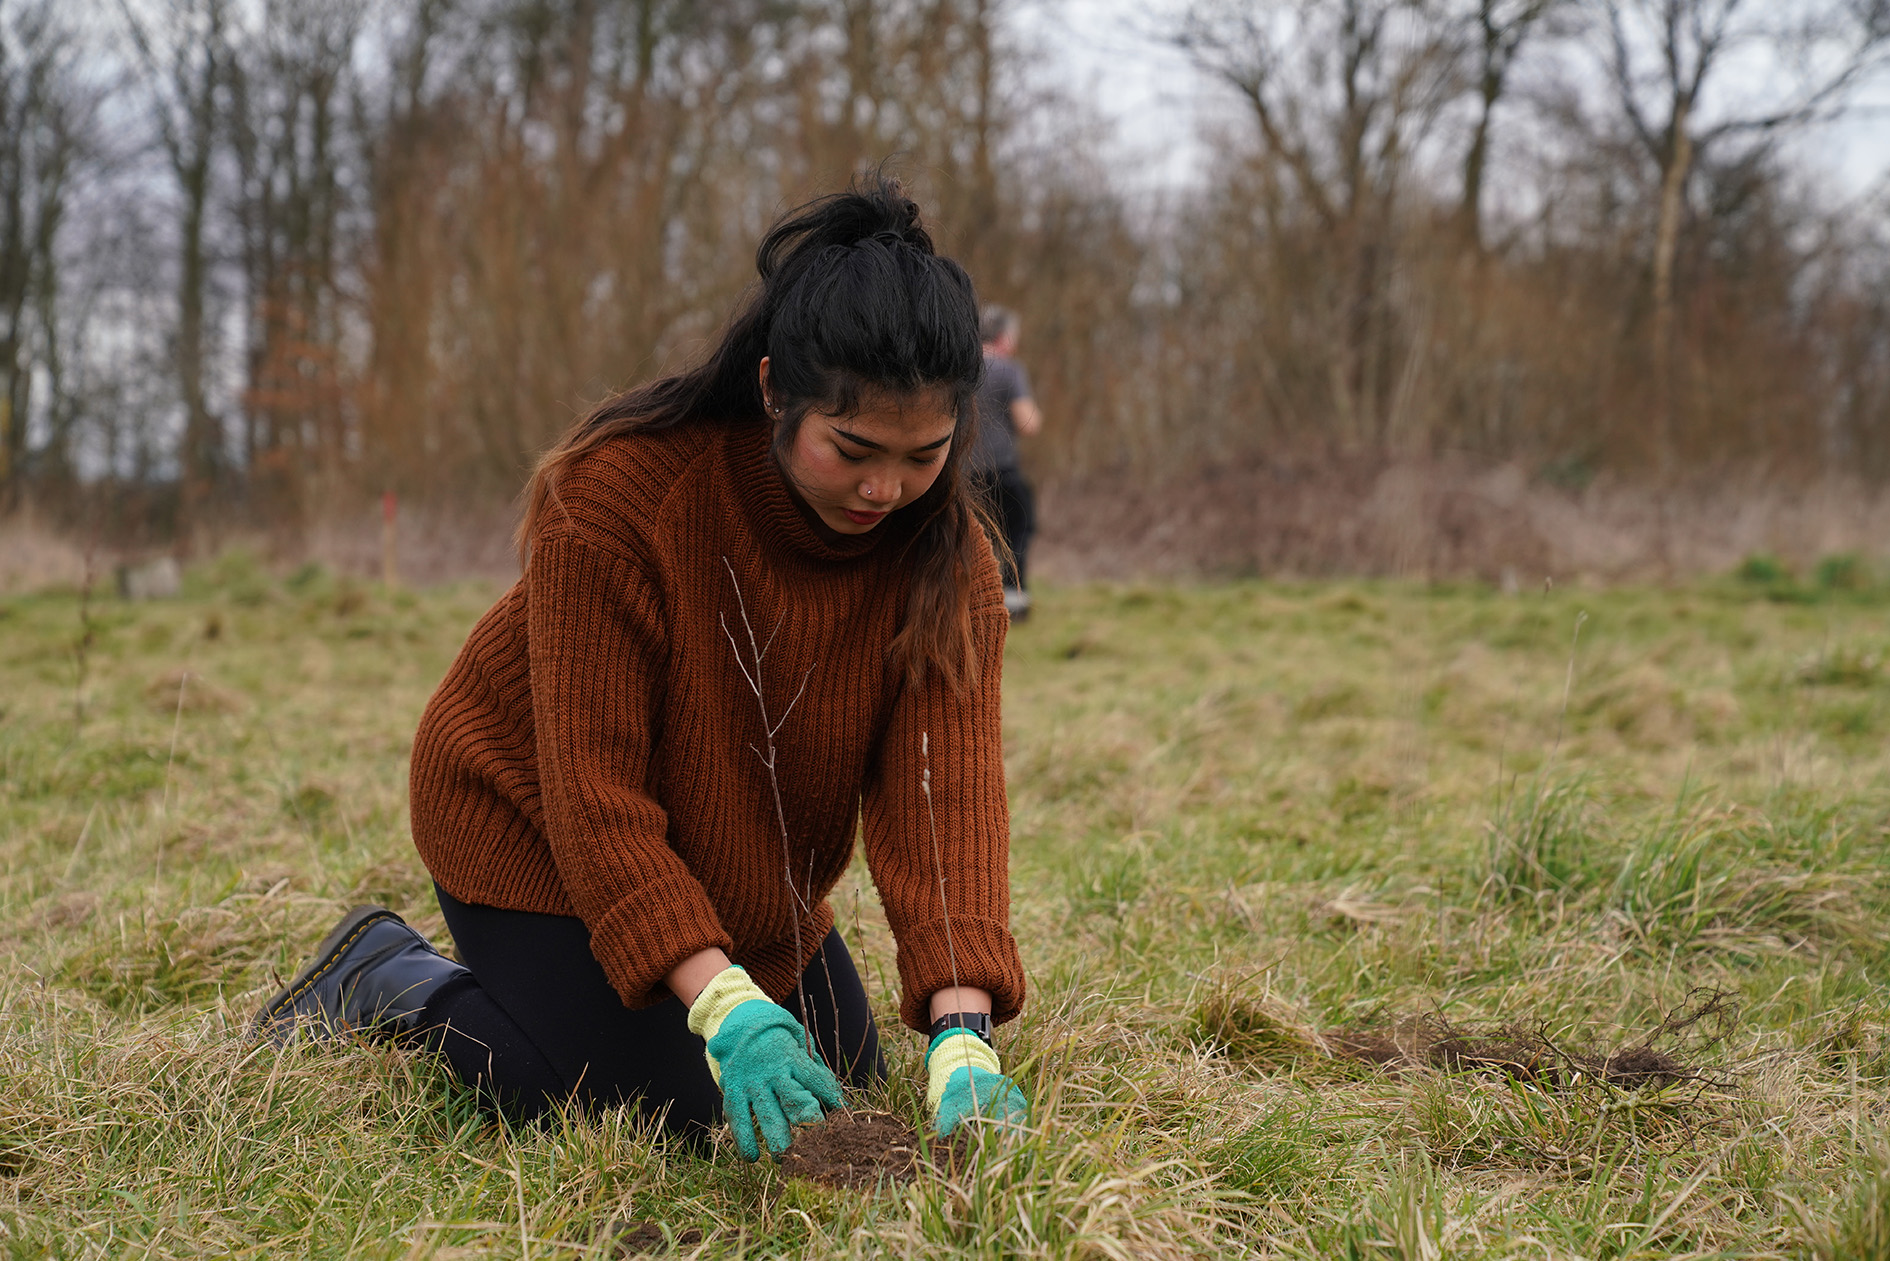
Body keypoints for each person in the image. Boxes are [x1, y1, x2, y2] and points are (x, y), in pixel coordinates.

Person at [254, 176, 1031, 1162]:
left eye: (925, 453)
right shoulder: (620, 498)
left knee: (846, 1070)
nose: (887, 488)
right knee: (651, 1106)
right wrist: (721, 1000)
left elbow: (942, 800)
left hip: (733, 849)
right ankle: (390, 976)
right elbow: (595, 796)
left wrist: (964, 1030)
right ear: (771, 393)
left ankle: (707, 976)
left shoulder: (944, 559)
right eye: (853, 449)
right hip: (528, 822)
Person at [967, 305, 1042, 621]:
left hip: (960, 475)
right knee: (1018, 529)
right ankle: (1013, 601)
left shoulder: (960, 370)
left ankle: (967, 602)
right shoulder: (1009, 371)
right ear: (1003, 337)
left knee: (967, 536)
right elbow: (1028, 424)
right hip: (1000, 471)